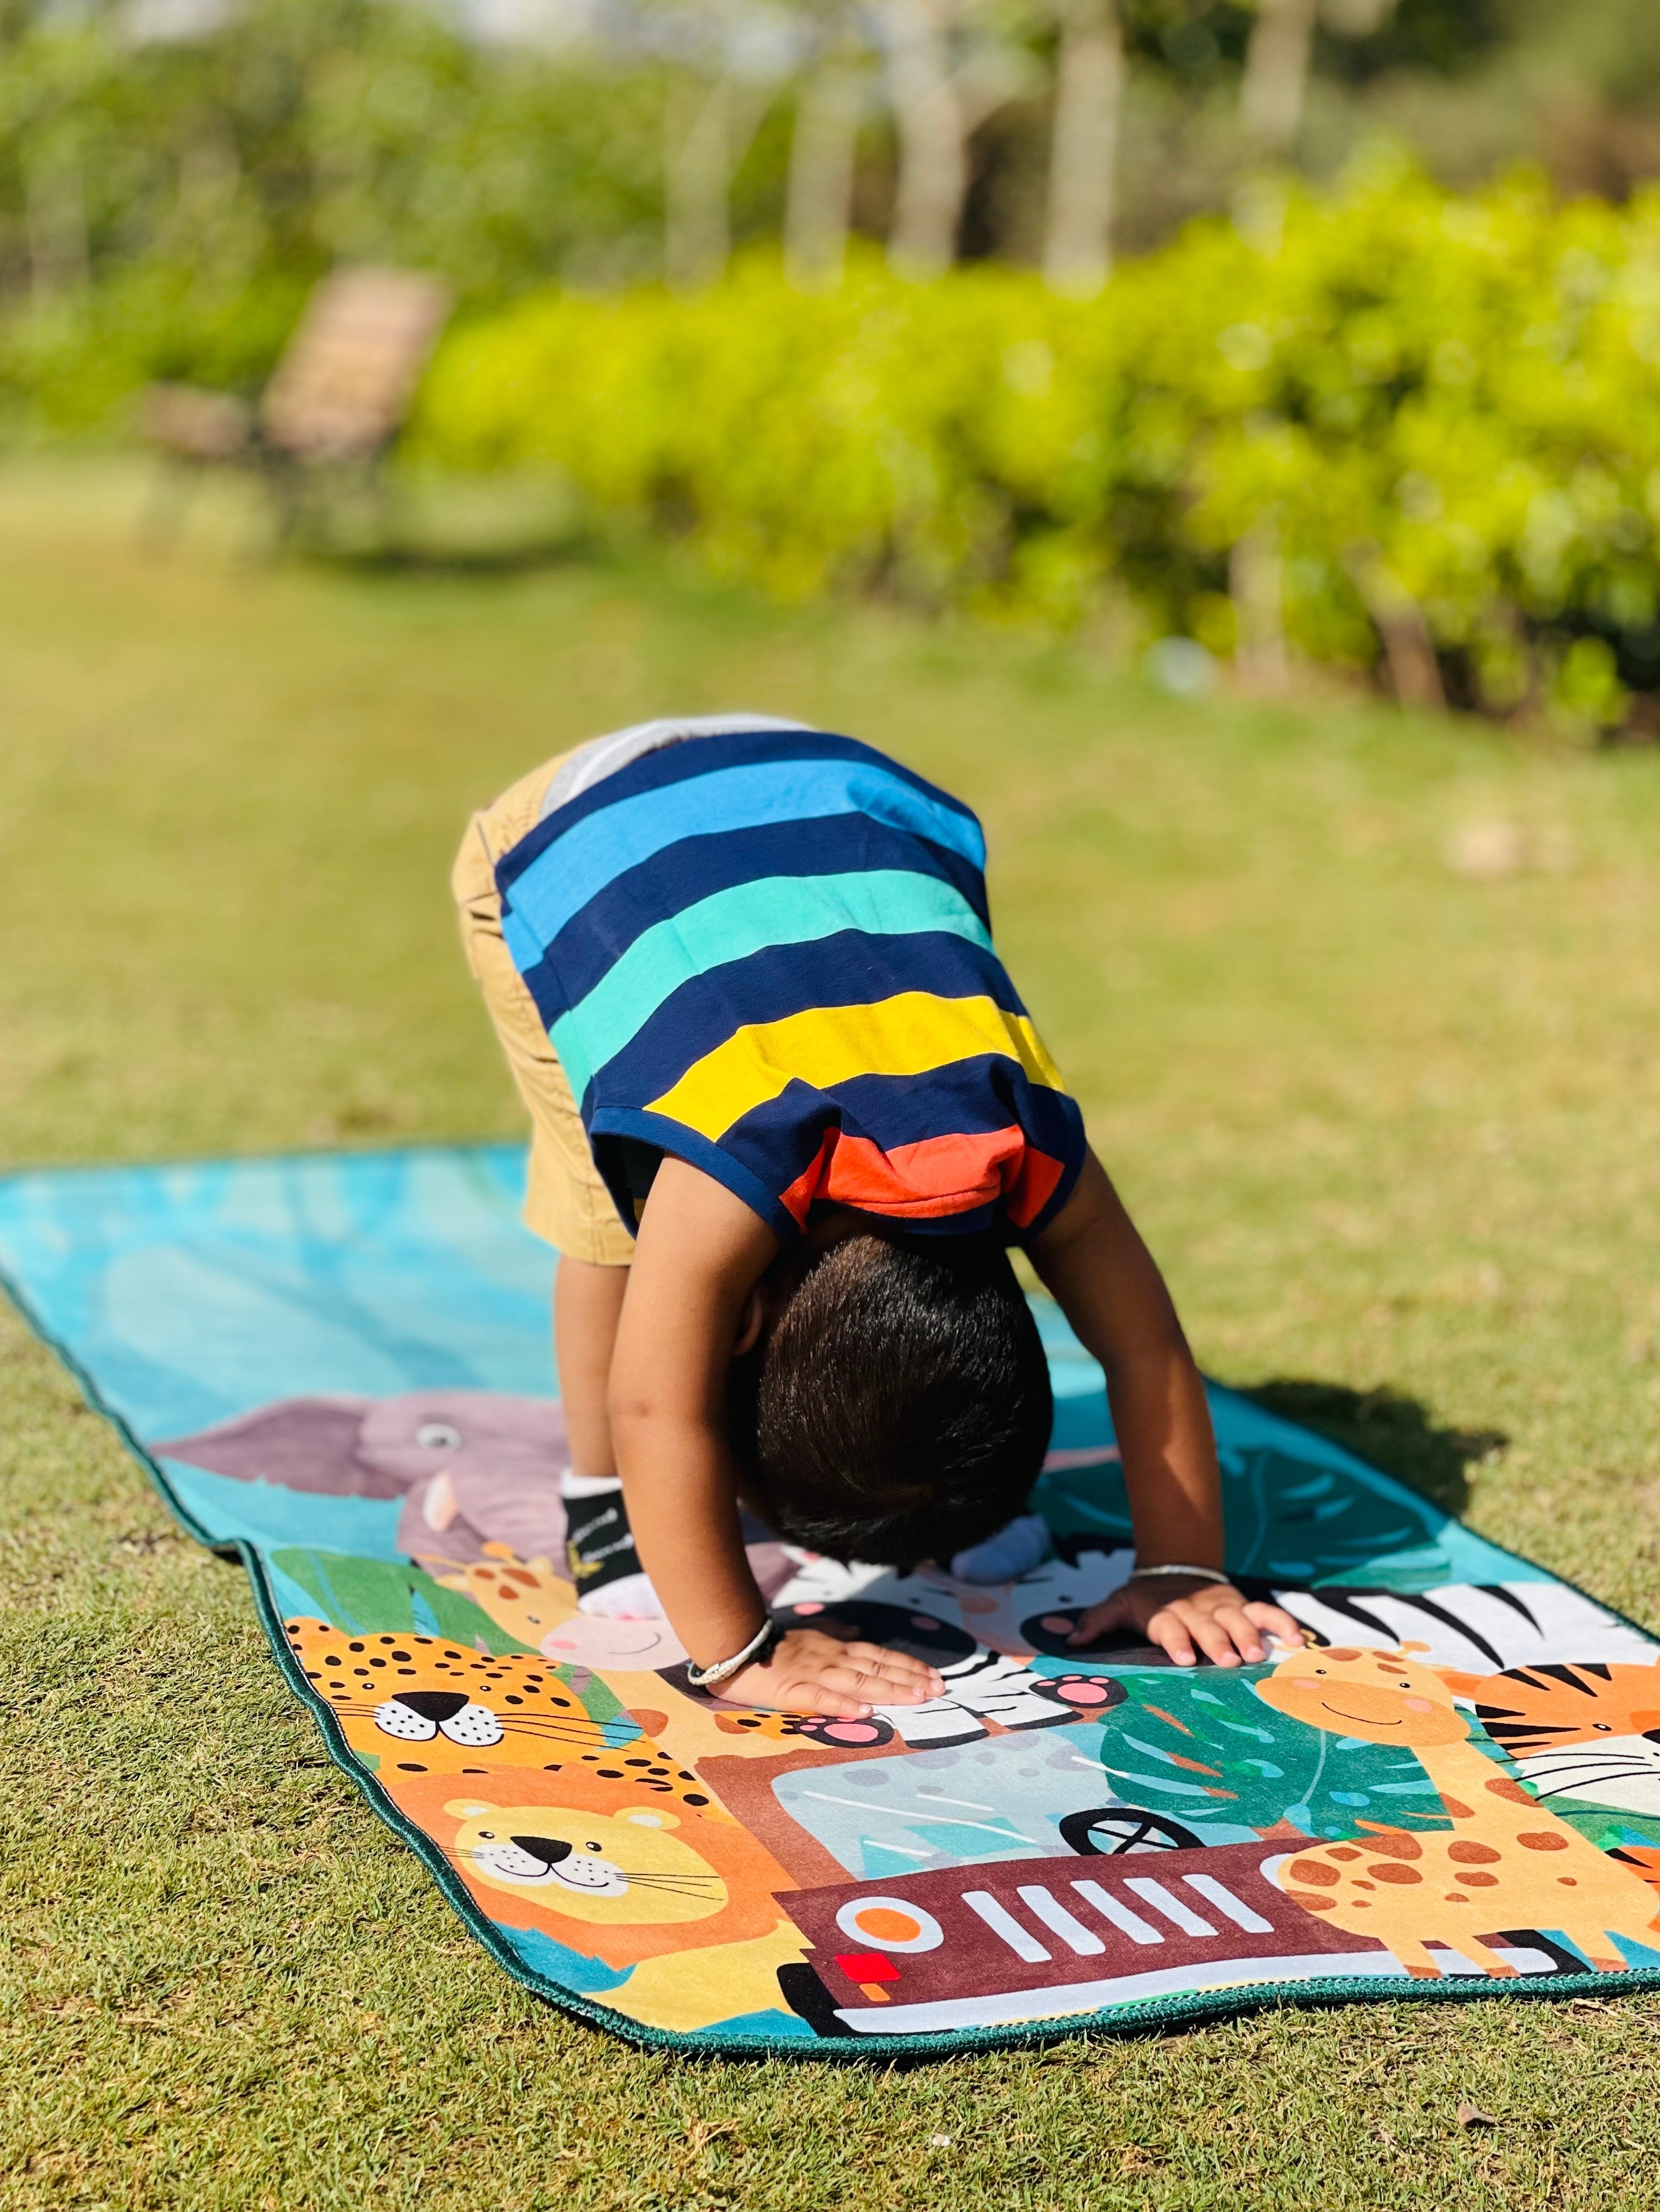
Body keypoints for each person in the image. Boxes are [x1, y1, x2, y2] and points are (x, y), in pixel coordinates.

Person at [453, 718, 1302, 1719]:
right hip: (567, 843)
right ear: (741, 1327)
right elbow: (655, 1407)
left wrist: (1178, 1568)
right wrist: (739, 1656)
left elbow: (1147, 1348)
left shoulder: (1024, 1144)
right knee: (608, 1218)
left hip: (842, 794)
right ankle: (602, 1512)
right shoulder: (730, 1167)